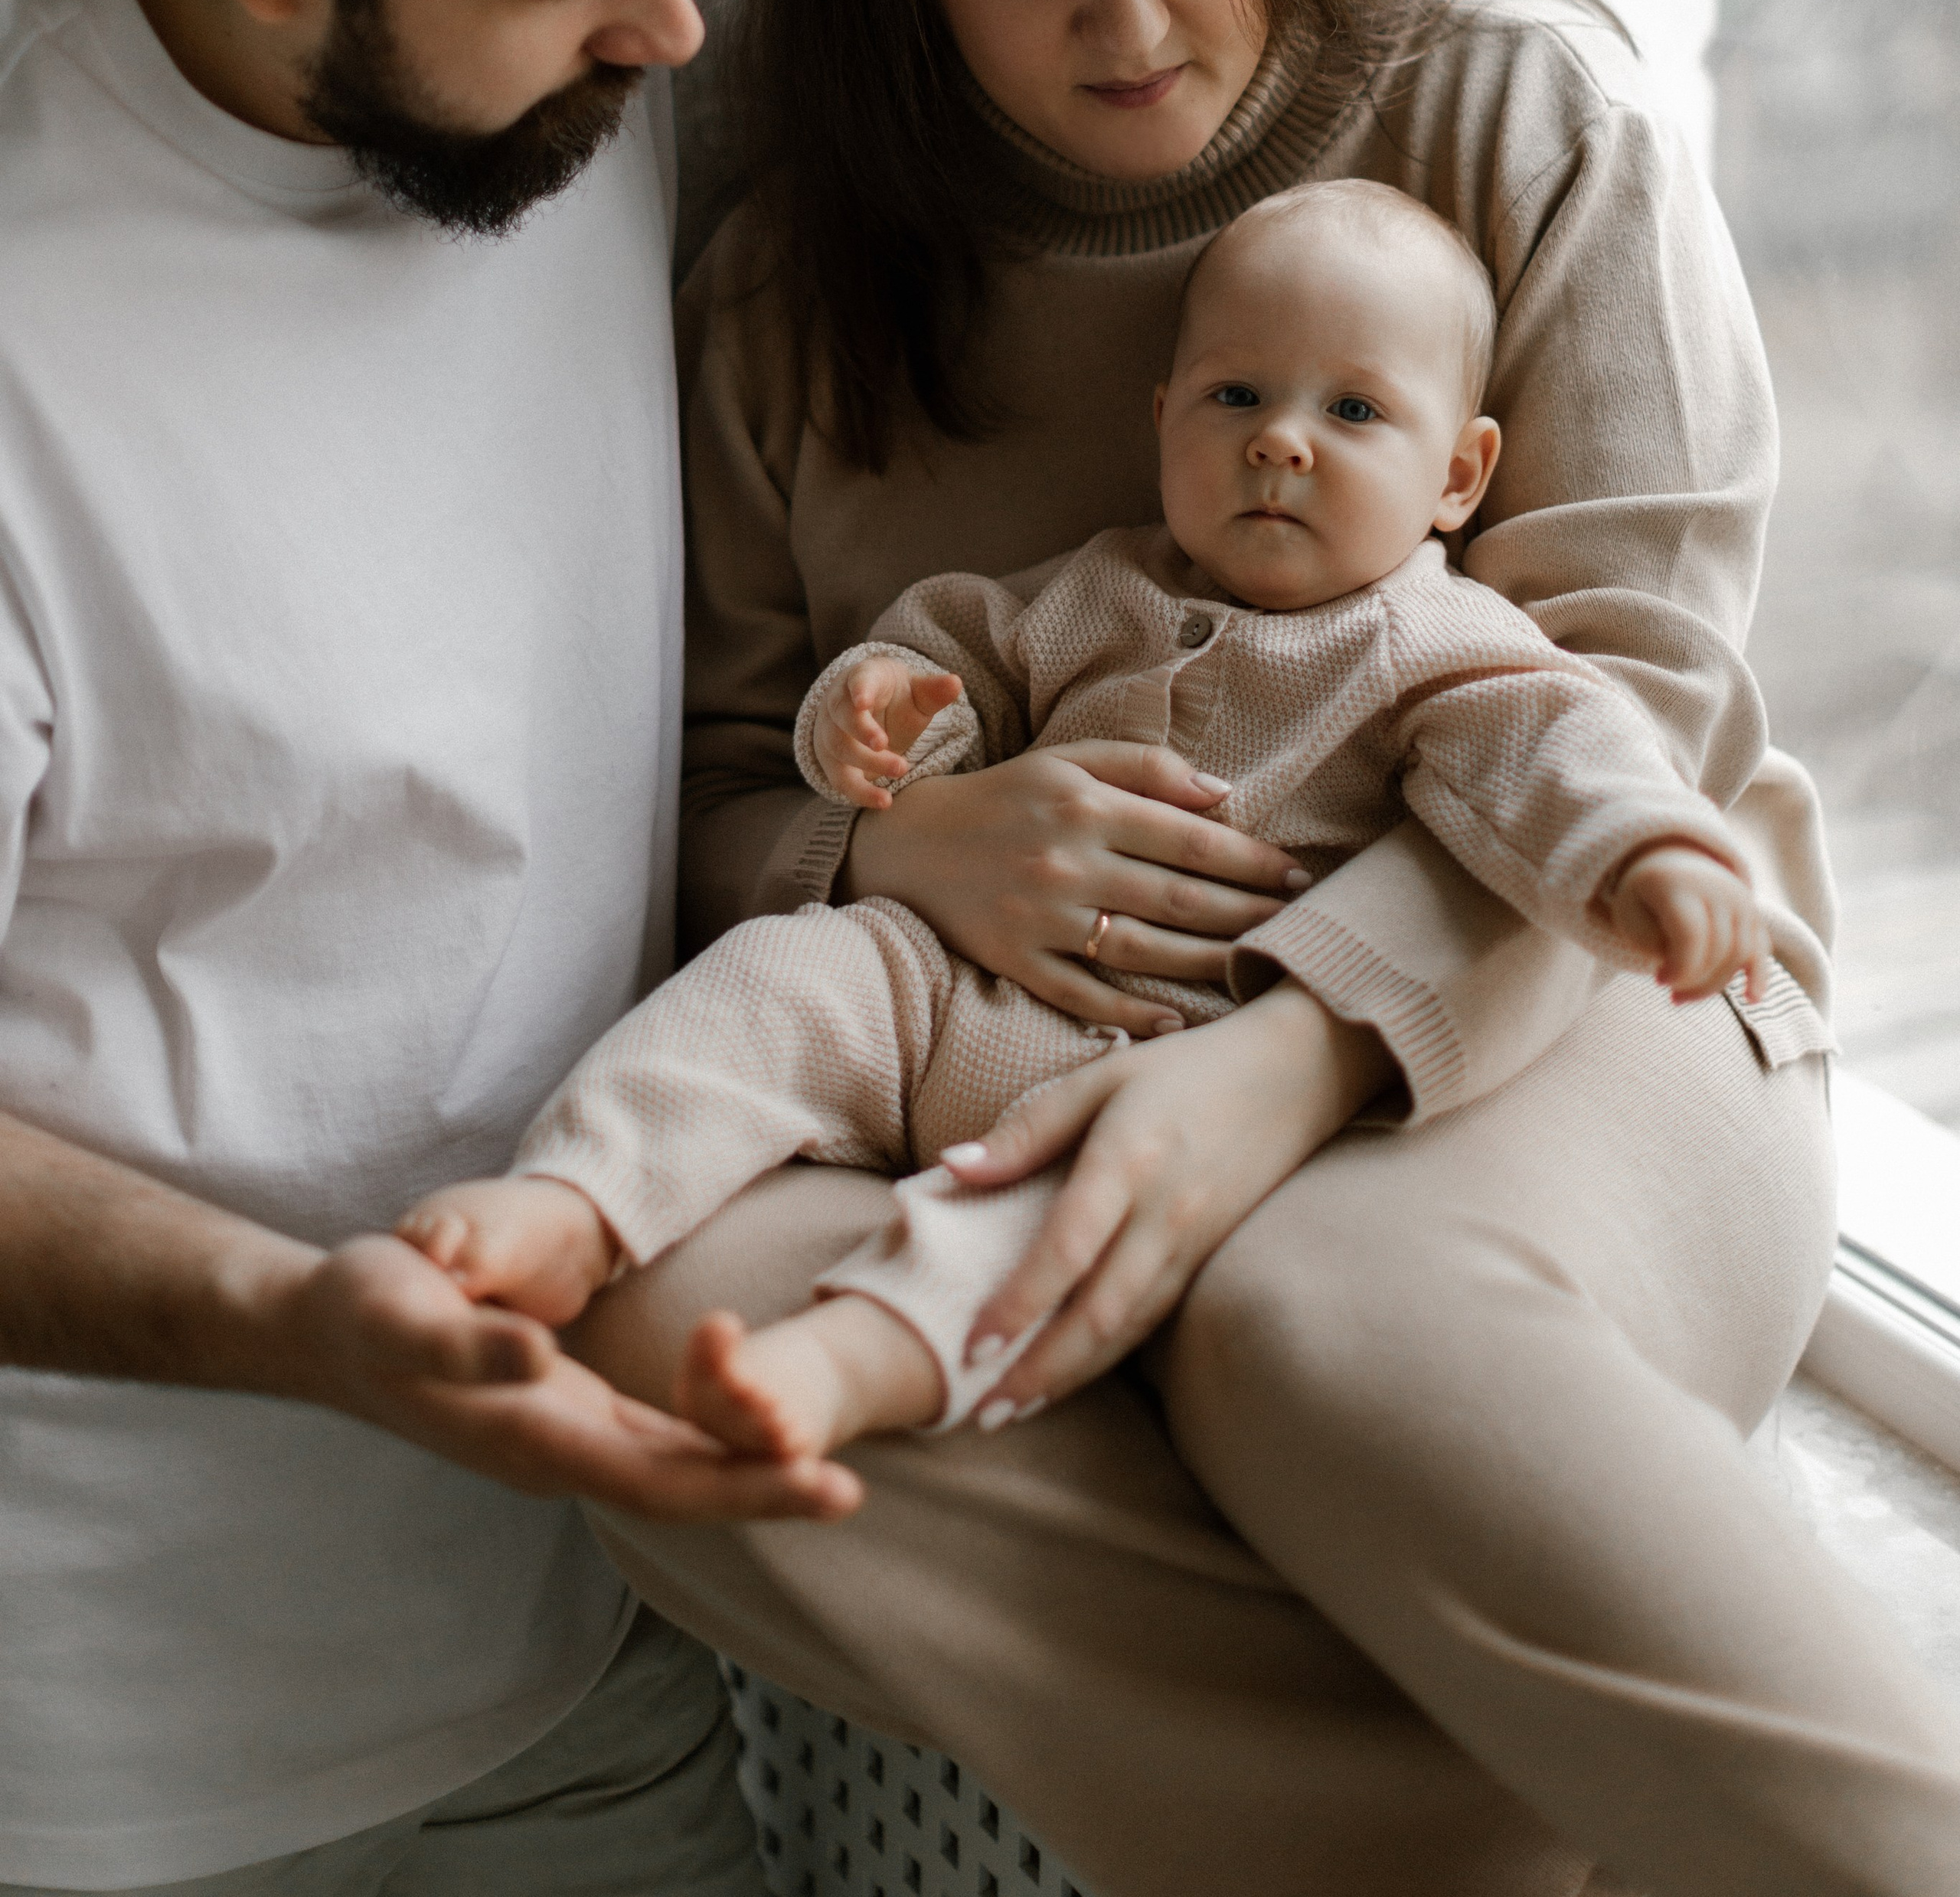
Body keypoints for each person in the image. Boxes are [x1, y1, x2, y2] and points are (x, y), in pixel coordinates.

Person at [564, 0, 1960, 1897]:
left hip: (1576, 991)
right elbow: (698, 788)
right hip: (1014, 1062)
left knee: (1314, 1312)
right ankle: (1507, 1828)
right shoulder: (800, 288)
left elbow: (1617, 702)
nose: (1133, 20)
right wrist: (891, 849)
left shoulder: (1515, 121)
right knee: (646, 1337)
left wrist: (1282, 1065)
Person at [0, 0, 860, 1897]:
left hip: (585, 1647)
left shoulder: (532, 64)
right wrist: (303, 1322)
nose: (677, 35)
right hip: (115, 1756)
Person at [400, 175, 1795, 1463]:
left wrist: (1652, 847)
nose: (1282, 444)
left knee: (1064, 1206)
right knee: (777, 984)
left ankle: (850, 1364)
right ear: (1162, 420)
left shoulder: (1432, 646)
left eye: (1355, 413)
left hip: (1176, 1047)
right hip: (945, 988)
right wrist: (880, 714)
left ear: (1459, 477)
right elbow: (952, 671)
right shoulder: (1092, 590)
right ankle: (581, 1196)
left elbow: (1558, 755)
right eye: (1235, 395)